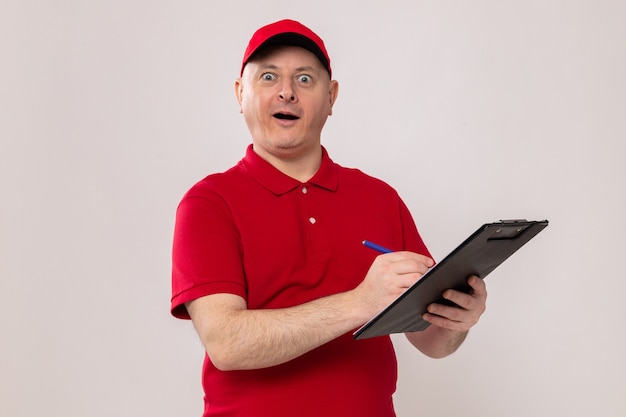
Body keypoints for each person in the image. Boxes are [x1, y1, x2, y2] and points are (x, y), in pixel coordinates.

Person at [171, 19, 487, 417]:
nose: (287, 91)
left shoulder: (380, 198)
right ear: (240, 93)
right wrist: (361, 302)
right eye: (269, 77)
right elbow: (227, 344)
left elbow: (432, 343)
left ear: (332, 97)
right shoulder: (209, 203)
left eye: (305, 79)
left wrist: (458, 320)